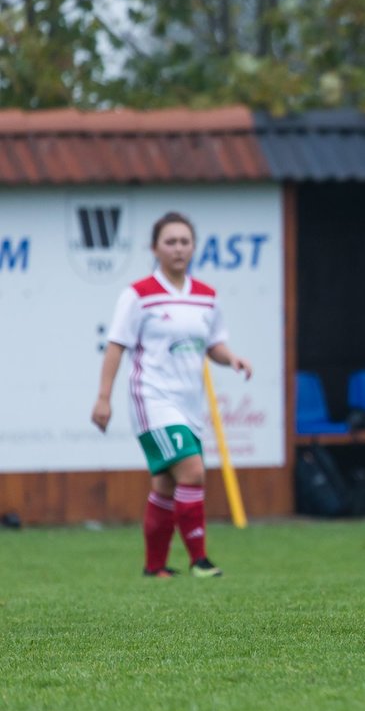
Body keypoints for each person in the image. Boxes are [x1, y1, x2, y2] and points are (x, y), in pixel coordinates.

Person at [91, 212, 252, 578]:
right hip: (152, 399)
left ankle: (155, 567)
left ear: (193, 247)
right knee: (193, 471)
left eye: (184, 241)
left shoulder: (206, 297)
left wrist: (233, 358)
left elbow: (214, 345)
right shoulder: (139, 295)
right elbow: (116, 346)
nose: (178, 248)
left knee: (166, 486)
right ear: (155, 248)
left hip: (188, 403)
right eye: (170, 241)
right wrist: (103, 397)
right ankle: (200, 560)